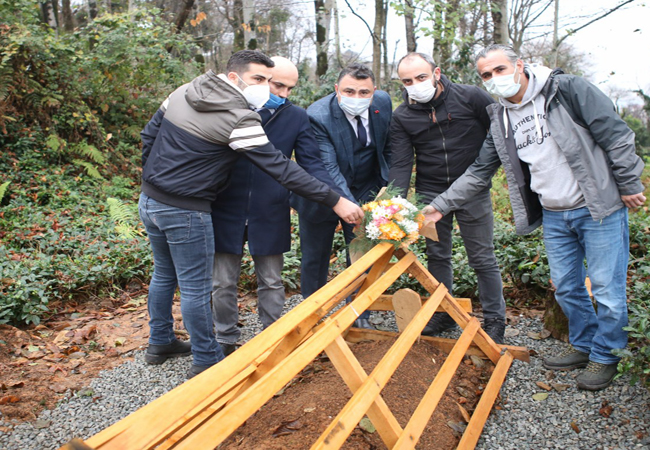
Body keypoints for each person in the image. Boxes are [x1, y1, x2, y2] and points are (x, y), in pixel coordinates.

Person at [424, 44, 646, 390]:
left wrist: (629, 182)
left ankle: (607, 355)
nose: (494, 78)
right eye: (486, 75)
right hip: (555, 214)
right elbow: (481, 170)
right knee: (567, 288)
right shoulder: (500, 118)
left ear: (520, 65)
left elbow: (615, 134)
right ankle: (586, 346)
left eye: (500, 70)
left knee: (607, 289)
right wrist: (440, 205)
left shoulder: (567, 90)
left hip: (596, 207)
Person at [138, 50, 364, 378]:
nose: (275, 91)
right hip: (203, 207)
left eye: (285, 86)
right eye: (265, 82)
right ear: (238, 78)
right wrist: (335, 201)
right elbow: (280, 167)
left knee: (177, 276)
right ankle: (213, 351)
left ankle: (170, 341)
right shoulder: (236, 114)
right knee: (207, 284)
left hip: (175, 201)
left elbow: (150, 136)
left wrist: (156, 179)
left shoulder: (187, 92)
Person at [210, 57, 342, 356]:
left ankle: (271, 340)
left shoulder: (296, 117)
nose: (283, 93)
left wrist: (336, 198)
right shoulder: (229, 108)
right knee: (222, 281)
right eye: (277, 84)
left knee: (271, 280)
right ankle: (224, 339)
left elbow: (313, 164)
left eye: (289, 88)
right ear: (260, 78)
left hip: (270, 207)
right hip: (225, 205)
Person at [389, 52, 507, 343]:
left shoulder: (471, 97)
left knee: (482, 257)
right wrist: (396, 204)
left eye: (421, 77)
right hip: (430, 190)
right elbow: (402, 163)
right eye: (407, 81)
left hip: (472, 189)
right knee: (437, 255)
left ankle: (495, 318)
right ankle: (443, 311)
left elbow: (500, 133)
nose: (415, 84)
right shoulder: (402, 115)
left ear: (436, 73)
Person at [291, 64, 392, 329]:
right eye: (349, 91)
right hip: (321, 193)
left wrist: (387, 190)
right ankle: (311, 316)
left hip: (366, 187)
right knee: (315, 256)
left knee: (361, 254)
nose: (356, 97)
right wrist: (346, 205)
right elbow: (326, 167)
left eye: (363, 92)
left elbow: (388, 148)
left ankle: (359, 314)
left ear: (374, 92)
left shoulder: (383, 103)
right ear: (337, 89)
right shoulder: (318, 115)